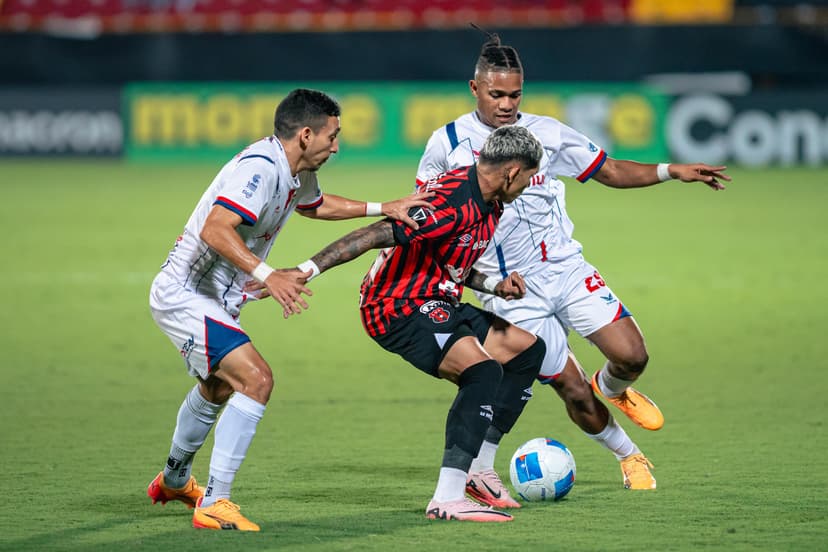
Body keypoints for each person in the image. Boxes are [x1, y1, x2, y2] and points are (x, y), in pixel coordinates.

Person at [416, 33, 731, 497]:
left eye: (515, 94)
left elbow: (609, 170)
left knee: (632, 356)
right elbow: (423, 209)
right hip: (509, 290)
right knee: (571, 386)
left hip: (564, 268)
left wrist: (670, 170)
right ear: (475, 88)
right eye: (496, 94)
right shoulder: (447, 143)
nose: (506, 104)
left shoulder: (548, 133)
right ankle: (629, 456)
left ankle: (615, 387)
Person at [146, 88, 433, 531]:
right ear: (305, 134)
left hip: (217, 296)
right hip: (186, 295)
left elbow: (315, 205)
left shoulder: (294, 170)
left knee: (219, 387)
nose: (336, 146)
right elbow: (216, 228)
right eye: (332, 136)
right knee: (256, 379)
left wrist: (384, 207)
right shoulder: (260, 169)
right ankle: (215, 502)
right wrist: (267, 274)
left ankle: (174, 480)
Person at [276, 125, 547, 522]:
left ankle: (478, 471)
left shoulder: (491, 202)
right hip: (395, 305)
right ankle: (447, 499)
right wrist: (305, 270)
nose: (528, 185)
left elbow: (454, 262)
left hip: (439, 298)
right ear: (511, 172)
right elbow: (371, 235)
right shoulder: (451, 201)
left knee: (527, 352)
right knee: (482, 372)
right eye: (528, 176)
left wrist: (494, 285)